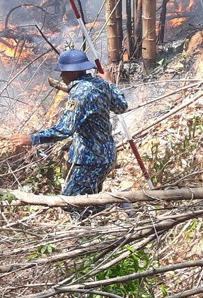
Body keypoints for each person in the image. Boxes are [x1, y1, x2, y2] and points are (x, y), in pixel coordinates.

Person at [9, 49, 129, 221]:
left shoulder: (80, 93)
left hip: (90, 159)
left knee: (69, 202)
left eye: (63, 71)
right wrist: (110, 83)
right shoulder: (100, 84)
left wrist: (32, 139)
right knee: (88, 200)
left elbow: (65, 129)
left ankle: (118, 204)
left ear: (73, 72)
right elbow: (122, 106)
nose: (61, 76)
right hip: (106, 156)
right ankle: (99, 224)